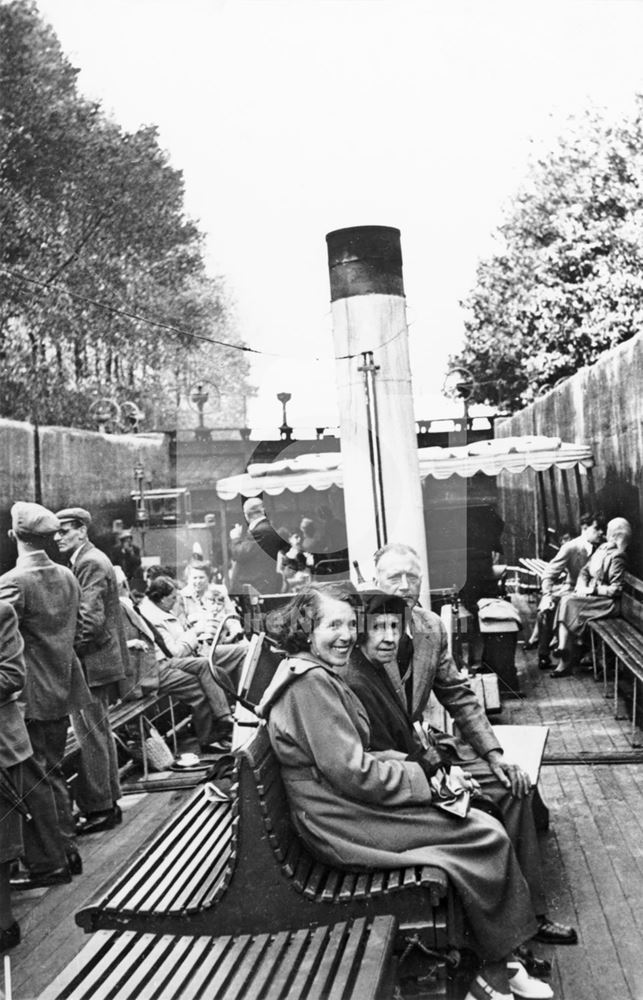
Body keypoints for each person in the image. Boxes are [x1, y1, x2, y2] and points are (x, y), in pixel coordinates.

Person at [259, 583, 550, 1000]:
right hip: (339, 822)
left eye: (349, 625)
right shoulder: (310, 685)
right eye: (332, 626)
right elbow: (355, 773)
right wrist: (425, 784)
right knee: (482, 836)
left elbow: (354, 762)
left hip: (341, 808)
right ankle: (493, 971)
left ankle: (498, 964)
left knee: (477, 822)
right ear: (307, 630)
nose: (345, 636)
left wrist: (423, 775)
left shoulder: (313, 673)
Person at [374, 541, 576, 948]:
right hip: (391, 767)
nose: (403, 584)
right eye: (393, 576)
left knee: (515, 787)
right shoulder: (364, 634)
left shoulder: (430, 627)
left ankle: (532, 916)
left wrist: (494, 754)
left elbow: (459, 695)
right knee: (475, 814)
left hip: (425, 752)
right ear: (375, 582)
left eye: (411, 576)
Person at [0, 503, 90, 889]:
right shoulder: (68, 575)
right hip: (63, 687)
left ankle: (49, 862)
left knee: (34, 780)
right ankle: (66, 849)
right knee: (53, 772)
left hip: (30, 697)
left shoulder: (13, 582)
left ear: (14, 536)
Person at [54, 507, 128, 835]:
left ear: (81, 530)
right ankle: (108, 802)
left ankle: (100, 808)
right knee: (98, 733)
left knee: (90, 736)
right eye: (56, 532)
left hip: (91, 666)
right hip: (101, 663)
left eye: (65, 531)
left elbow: (90, 622)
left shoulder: (88, 563)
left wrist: (67, 655)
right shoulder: (92, 560)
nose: (58, 537)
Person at [138, 576, 247, 751]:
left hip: (191, 654)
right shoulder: (154, 617)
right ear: (162, 598)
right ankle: (222, 722)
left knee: (224, 665)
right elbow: (174, 652)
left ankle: (233, 712)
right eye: (173, 598)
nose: (175, 602)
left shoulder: (165, 609)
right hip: (174, 660)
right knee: (207, 674)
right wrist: (195, 633)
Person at [551, 516, 632, 678]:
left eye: (608, 531)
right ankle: (562, 649)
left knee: (569, 602)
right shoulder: (602, 549)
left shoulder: (618, 556)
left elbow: (616, 590)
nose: (604, 533)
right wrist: (581, 585)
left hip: (608, 603)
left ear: (616, 535)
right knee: (567, 599)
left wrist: (591, 590)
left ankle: (562, 650)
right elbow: (585, 571)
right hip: (595, 597)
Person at [0, 600, 32, 952]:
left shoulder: (2, 613)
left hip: (1, 748)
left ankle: (4, 925)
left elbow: (11, 676)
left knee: (1, 847)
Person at [535, 513, 605, 670]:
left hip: (592, 593)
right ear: (584, 528)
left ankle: (579, 652)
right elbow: (549, 573)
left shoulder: (603, 547)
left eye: (603, 529)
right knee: (545, 610)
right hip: (572, 588)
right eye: (597, 528)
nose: (601, 533)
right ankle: (544, 653)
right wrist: (546, 596)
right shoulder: (571, 547)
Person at [229, 498, 289, 594]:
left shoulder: (260, 531)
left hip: (256, 588)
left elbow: (239, 554)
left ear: (246, 515)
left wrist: (235, 538)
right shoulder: (266, 528)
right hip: (259, 586)